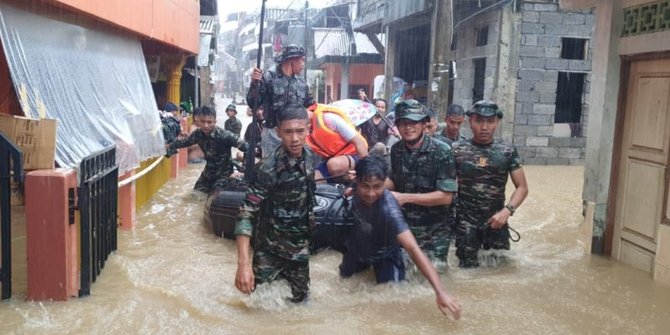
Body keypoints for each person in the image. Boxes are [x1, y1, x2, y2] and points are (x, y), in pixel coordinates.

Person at [339, 155, 461, 319]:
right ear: (357, 181)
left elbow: (413, 248)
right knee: (342, 288)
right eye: (365, 186)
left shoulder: (389, 210)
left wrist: (440, 292)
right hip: (358, 250)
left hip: (386, 254)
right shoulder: (355, 188)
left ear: (384, 183)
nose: (370, 193)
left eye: (377, 186)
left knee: (392, 301)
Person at [234, 105, 317, 303]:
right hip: (269, 252)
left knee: (302, 305)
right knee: (258, 309)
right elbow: (246, 213)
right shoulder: (267, 168)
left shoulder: (310, 156)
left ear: (308, 129)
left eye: (300, 131)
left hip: (299, 251)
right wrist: (243, 265)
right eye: (288, 132)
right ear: (278, 132)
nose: (295, 138)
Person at [452, 100, 529, 268]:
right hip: (465, 224)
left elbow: (522, 187)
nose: (484, 127)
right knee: (467, 274)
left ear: (497, 122)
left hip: (497, 222)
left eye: (490, 121)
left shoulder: (507, 151)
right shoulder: (455, 150)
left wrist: (507, 211)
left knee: (501, 273)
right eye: (479, 121)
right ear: (470, 121)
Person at [386, 99, 457, 262]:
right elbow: (393, 180)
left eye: (413, 122)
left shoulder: (442, 151)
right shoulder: (396, 150)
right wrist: (367, 186)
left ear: (424, 124)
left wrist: (404, 198)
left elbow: (446, 197)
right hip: (404, 229)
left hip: (434, 233)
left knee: (433, 280)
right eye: (403, 122)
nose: (408, 127)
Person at [246, 44, 315, 159]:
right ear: (292, 59)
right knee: (270, 169)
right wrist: (254, 84)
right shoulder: (268, 77)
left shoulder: (301, 83)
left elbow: (311, 106)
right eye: (302, 60)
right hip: (273, 134)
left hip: (294, 135)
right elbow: (253, 103)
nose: (303, 64)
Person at [167, 106, 246, 195]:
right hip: (208, 174)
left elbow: (248, 149)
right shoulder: (198, 134)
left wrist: (242, 171)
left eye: (209, 122)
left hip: (224, 175)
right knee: (194, 196)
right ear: (198, 121)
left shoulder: (225, 136)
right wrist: (168, 146)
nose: (205, 125)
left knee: (214, 199)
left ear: (215, 122)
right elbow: (185, 142)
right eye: (203, 121)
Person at [306, 104, 368, 183]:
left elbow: (360, 141)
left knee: (334, 165)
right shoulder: (303, 129)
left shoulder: (329, 118)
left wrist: (364, 172)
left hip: (353, 155)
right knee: (312, 182)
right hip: (332, 159)